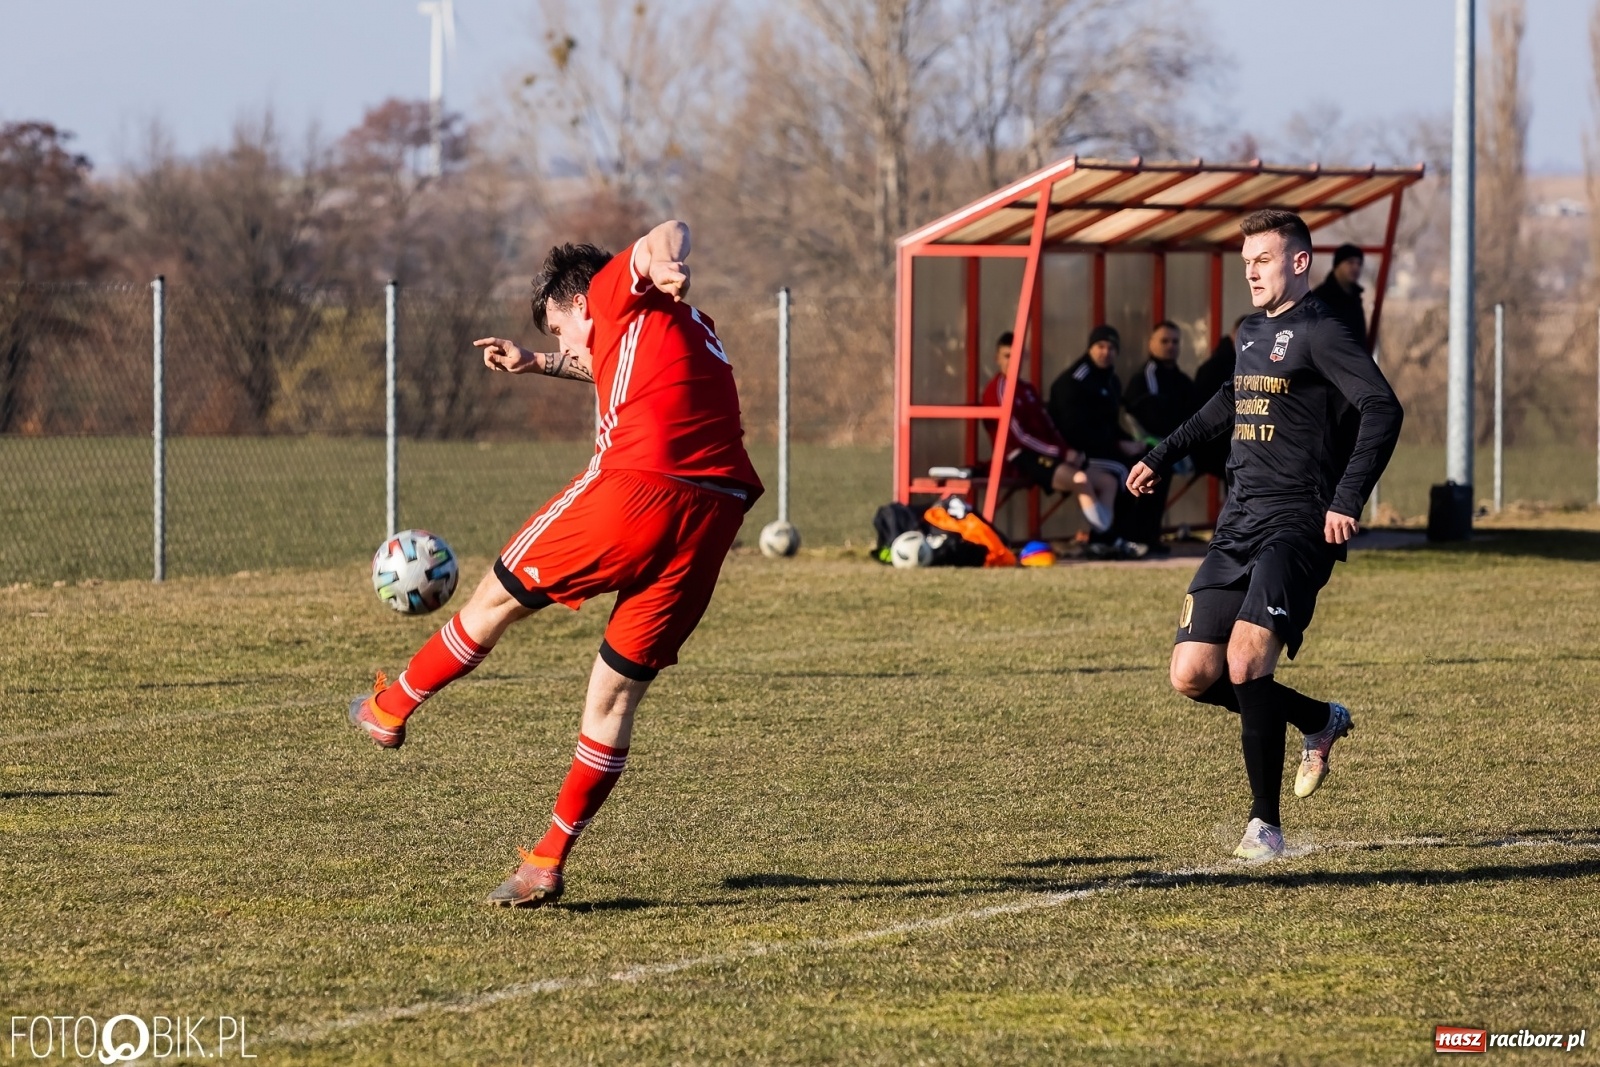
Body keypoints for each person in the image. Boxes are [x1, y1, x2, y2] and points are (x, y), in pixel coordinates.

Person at [347, 220, 763, 907]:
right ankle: (546, 858)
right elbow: (598, 362)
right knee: (614, 691)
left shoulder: (609, 287)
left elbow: (668, 230)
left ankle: (389, 708)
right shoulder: (680, 326)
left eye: (556, 331)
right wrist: (535, 363)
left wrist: (667, 261)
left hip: (638, 484)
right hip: (715, 513)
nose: (562, 343)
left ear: (578, 304)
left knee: (494, 598)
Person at [1126, 209, 1402, 861]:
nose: (1250, 271)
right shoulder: (1251, 332)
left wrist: (1346, 497)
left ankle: (1264, 825)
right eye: (1245, 261)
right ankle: (1316, 718)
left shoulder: (1323, 332)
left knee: (1248, 659)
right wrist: (1161, 454)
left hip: (1298, 523)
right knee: (1193, 671)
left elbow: (1381, 407)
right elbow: (1229, 402)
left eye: (1263, 259)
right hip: (1238, 523)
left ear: (1299, 261)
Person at [980, 331, 1115, 536]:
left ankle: (1099, 537)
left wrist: (1067, 451)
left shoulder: (1027, 389)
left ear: (1024, 357)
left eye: (1017, 356)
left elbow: (1049, 426)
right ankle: (1106, 536)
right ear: (997, 358)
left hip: (1047, 454)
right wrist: (1061, 454)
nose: (1012, 361)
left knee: (1108, 482)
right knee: (1080, 480)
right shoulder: (998, 390)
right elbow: (1018, 437)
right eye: (1007, 356)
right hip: (1020, 457)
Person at [1047, 325, 1150, 559]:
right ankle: (1111, 537)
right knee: (1125, 472)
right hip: (1076, 453)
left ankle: (1133, 535)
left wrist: (1129, 441)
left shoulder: (1111, 380)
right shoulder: (1076, 380)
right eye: (1100, 346)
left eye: (1111, 348)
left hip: (1101, 449)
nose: (1106, 352)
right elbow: (1073, 429)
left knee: (1148, 463)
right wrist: (1117, 445)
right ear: (1090, 348)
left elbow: (1110, 424)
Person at [1121, 321, 1199, 551]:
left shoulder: (1181, 379)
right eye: (1164, 341)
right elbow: (1149, 416)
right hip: (1147, 445)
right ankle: (1140, 536)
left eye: (1175, 341)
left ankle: (1151, 535)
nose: (1171, 346)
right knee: (1154, 472)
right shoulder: (1147, 376)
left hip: (1173, 444)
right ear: (1151, 344)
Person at [1191, 316, 1248, 483]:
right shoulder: (1215, 369)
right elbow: (1203, 415)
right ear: (1234, 335)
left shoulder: (1252, 365)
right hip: (1220, 446)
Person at [1310, 243, 1367, 348]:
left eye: (1359, 264)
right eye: (1350, 262)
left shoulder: (1355, 297)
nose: (1356, 267)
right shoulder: (1320, 297)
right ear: (1337, 265)